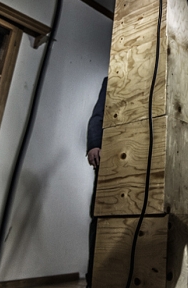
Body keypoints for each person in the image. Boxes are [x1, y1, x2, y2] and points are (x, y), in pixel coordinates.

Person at [85, 76, 107, 288]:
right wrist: (94, 144)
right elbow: (98, 115)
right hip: (109, 157)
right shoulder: (110, 80)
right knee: (99, 216)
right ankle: (93, 279)